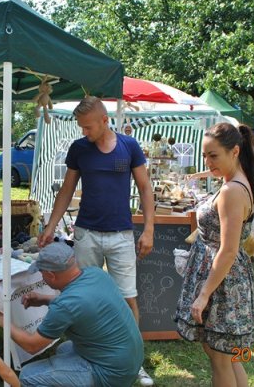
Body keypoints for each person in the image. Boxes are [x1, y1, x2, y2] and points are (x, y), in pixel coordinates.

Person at [37, 96, 155, 385]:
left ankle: (133, 361)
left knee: (128, 297)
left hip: (121, 235)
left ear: (105, 120)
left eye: (88, 127)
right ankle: (85, 352)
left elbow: (145, 186)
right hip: (86, 233)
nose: (84, 132)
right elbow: (66, 190)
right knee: (81, 296)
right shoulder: (80, 149)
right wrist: (51, 225)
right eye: (81, 127)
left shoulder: (129, 146)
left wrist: (149, 229)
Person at [174, 122, 254, 387]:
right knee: (226, 356)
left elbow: (228, 249)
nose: (208, 161)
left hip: (222, 282)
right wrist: (204, 173)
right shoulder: (237, 178)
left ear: (234, 151)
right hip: (221, 278)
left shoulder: (232, 191)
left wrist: (203, 295)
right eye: (205, 155)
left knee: (220, 358)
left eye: (214, 156)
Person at [1, 242, 144, 387]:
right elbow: (83, 304)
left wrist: (1, 318)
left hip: (112, 374)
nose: (42, 276)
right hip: (130, 361)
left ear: (51, 275)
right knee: (63, 349)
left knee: (27, 376)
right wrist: (44, 299)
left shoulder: (65, 305)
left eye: (41, 272)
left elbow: (32, 345)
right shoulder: (96, 274)